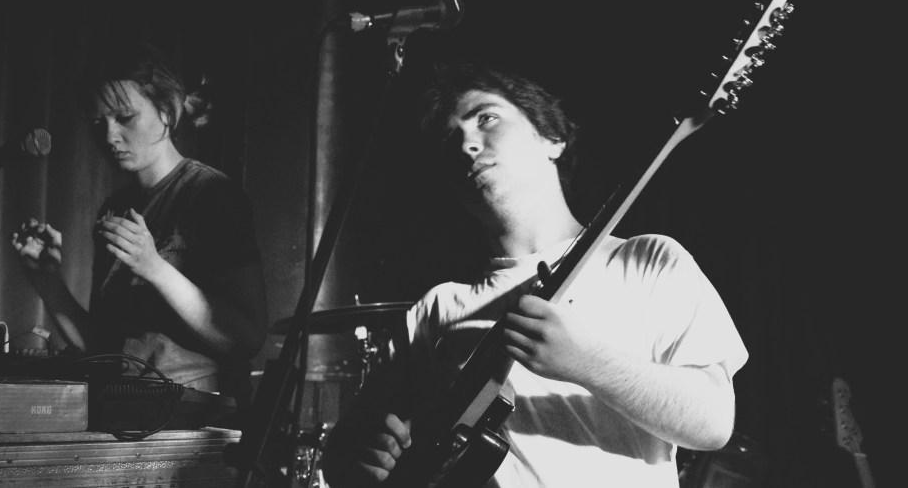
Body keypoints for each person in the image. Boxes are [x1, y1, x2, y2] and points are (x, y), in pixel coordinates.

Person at [321, 62, 748, 487]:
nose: (467, 143)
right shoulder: (436, 308)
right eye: (451, 138)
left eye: (486, 118)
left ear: (552, 139)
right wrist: (365, 460)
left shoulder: (645, 260)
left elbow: (713, 422)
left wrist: (586, 363)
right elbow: (343, 458)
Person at [11, 41, 268, 400]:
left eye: (125, 118)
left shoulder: (211, 194)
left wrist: (154, 267)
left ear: (166, 111)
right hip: (126, 407)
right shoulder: (115, 208)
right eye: (98, 122)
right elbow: (103, 347)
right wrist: (47, 281)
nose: (109, 136)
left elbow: (247, 338)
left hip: (194, 413)